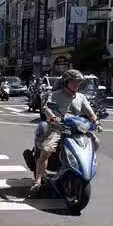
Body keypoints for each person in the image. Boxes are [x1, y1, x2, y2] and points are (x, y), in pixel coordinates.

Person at [27, 69, 101, 198]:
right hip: (58, 128)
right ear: (66, 82)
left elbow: (90, 113)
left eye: (79, 82)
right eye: (74, 82)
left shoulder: (81, 97)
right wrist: (52, 117)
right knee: (47, 150)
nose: (77, 85)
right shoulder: (55, 95)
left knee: (95, 142)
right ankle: (38, 181)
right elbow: (46, 108)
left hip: (76, 129)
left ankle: (84, 165)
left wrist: (97, 122)